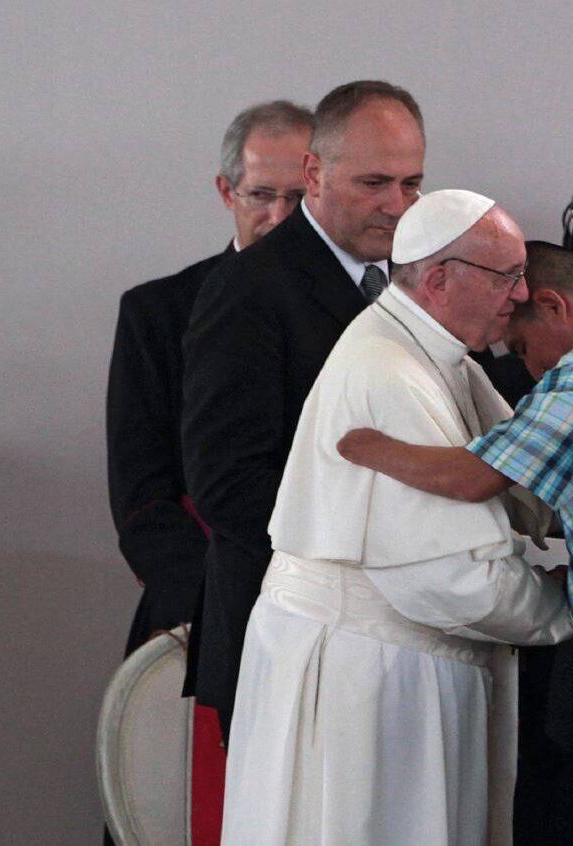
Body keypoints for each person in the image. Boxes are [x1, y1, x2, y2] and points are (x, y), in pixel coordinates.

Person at [338, 241, 573, 846]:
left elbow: (476, 477)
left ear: (551, 305)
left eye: (521, 348)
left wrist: (364, 446)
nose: (531, 372)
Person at [221, 190, 573, 846]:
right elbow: (452, 576)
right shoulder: (386, 370)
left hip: (404, 667)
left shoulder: (437, 356)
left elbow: (526, 484)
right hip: (371, 674)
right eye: (508, 276)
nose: (523, 295)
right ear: (440, 278)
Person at [180, 80, 425, 738]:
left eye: (411, 184)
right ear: (314, 172)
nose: (396, 205)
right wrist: (392, 540)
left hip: (393, 643)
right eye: (375, 182)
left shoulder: (415, 281)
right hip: (286, 640)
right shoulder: (248, 287)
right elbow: (227, 484)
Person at [106, 99, 311, 657]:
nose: (281, 217)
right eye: (262, 195)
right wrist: (222, 589)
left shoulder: (367, 308)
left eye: (298, 198)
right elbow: (141, 495)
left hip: (333, 606)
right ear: (227, 193)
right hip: (204, 604)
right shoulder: (157, 313)